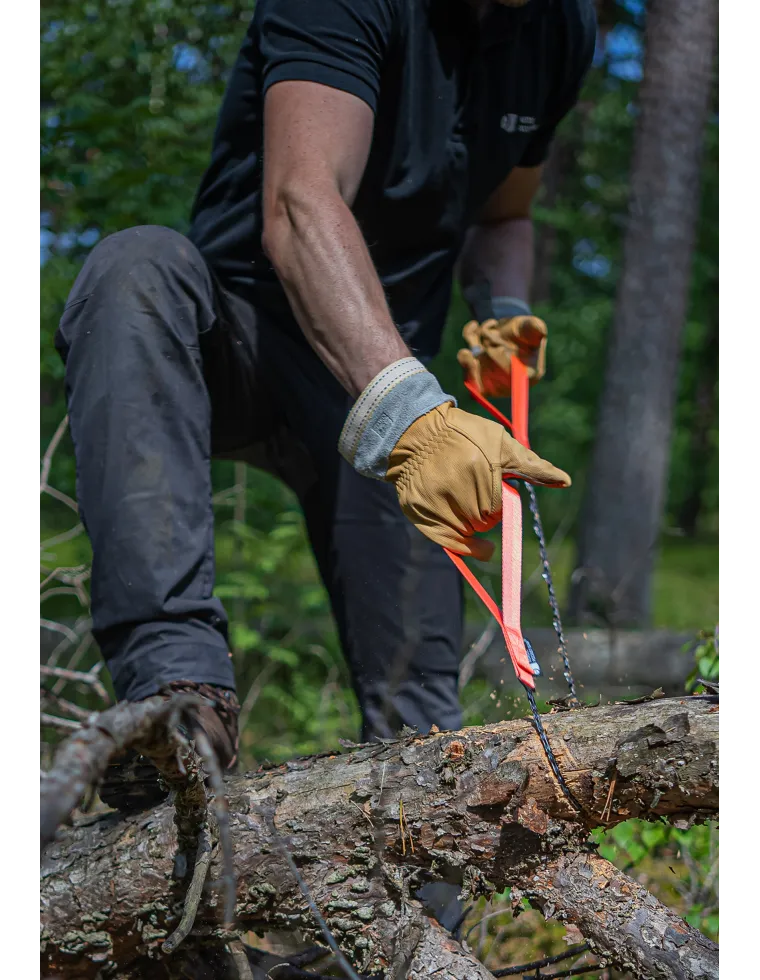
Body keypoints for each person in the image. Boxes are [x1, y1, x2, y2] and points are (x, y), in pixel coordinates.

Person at [54, 0, 595, 811]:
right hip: (239, 339)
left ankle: (418, 926)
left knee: (422, 718)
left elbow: (504, 214)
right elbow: (301, 205)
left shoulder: (561, 30)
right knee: (136, 272)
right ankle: (176, 700)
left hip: (385, 377)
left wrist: (502, 304)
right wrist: (410, 414)